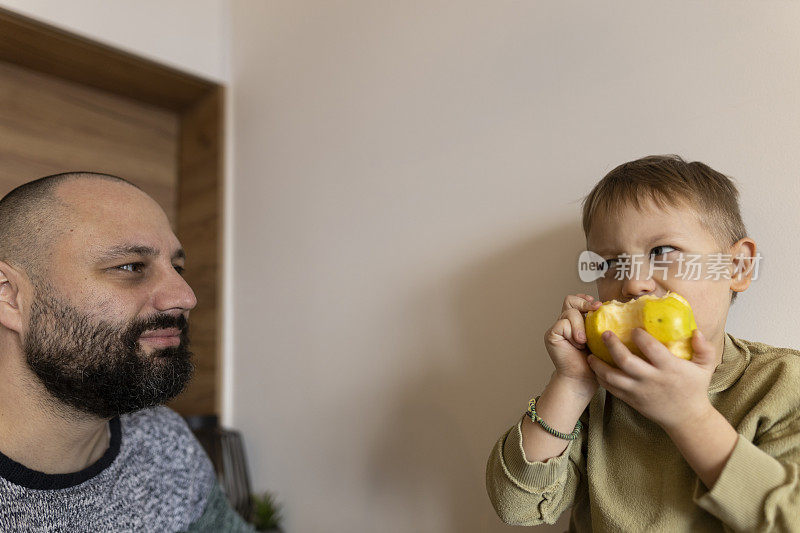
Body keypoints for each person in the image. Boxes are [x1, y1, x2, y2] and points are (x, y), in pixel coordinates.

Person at [485, 155, 800, 531]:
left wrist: (688, 415)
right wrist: (570, 384)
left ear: (736, 267)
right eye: (612, 263)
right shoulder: (596, 388)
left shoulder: (781, 383)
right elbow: (517, 505)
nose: (633, 283)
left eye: (662, 252)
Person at [0, 172, 255, 532]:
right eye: (131, 266)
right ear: (9, 295)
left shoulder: (164, 442)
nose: (185, 298)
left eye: (178, 268)